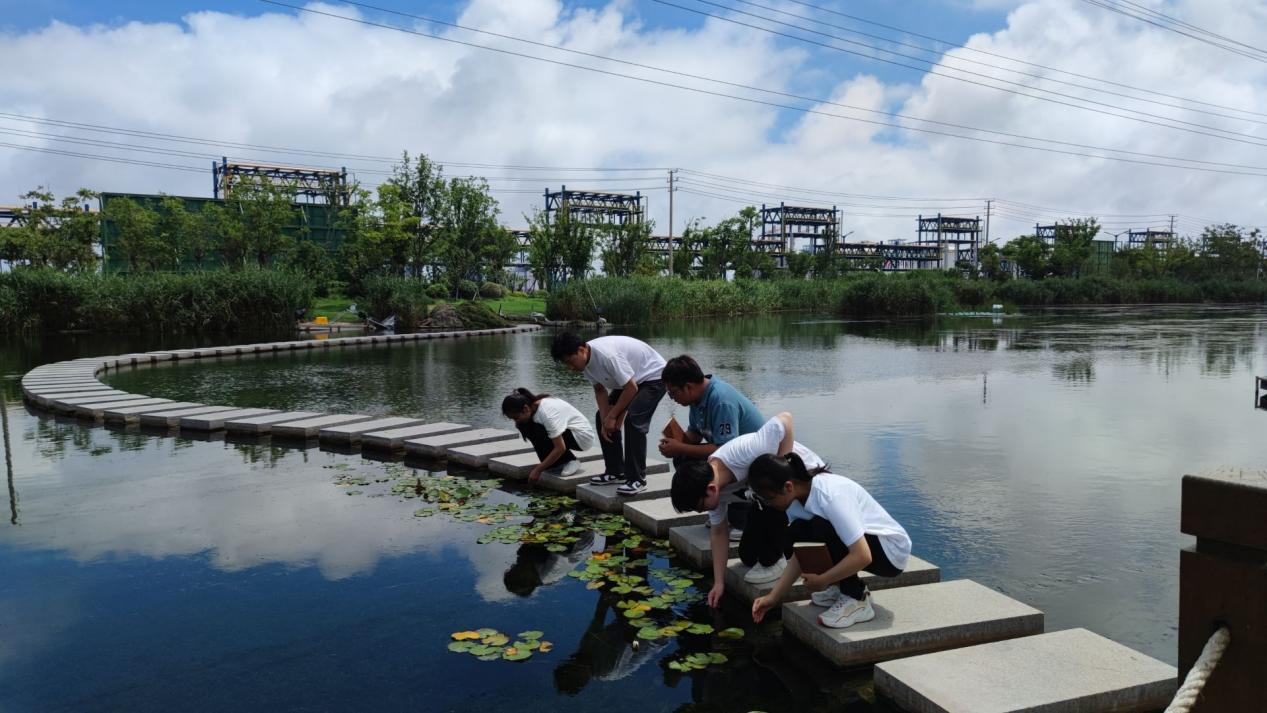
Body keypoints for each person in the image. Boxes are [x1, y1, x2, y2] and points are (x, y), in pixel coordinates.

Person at [669, 412, 827, 607]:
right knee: (747, 556)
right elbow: (719, 533)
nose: (701, 512)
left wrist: (783, 473)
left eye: (699, 507)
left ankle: (776, 558)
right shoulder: (710, 485)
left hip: (806, 485)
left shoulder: (744, 452)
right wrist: (719, 583)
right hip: (766, 500)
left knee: (771, 501)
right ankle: (775, 550)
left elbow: (785, 420)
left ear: (710, 490)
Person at [748, 451, 910, 629]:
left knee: (822, 525)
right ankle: (840, 585)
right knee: (796, 531)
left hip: (890, 552)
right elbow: (800, 554)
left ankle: (856, 598)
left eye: (769, 499)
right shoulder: (795, 501)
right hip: (865, 547)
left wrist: (823, 580)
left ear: (788, 487)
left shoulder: (829, 496)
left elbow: (862, 556)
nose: (769, 505)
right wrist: (773, 597)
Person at [658, 354, 764, 542]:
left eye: (673, 393)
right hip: (728, 455)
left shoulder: (720, 400)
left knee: (688, 457)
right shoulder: (697, 400)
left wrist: (681, 447)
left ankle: (742, 519)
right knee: (683, 460)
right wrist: (675, 443)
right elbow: (695, 435)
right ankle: (715, 508)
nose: (673, 399)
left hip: (754, 463)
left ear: (688, 387)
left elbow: (726, 449)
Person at [551, 332, 667, 496]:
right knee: (601, 417)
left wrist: (614, 416)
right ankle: (616, 471)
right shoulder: (584, 363)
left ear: (582, 349)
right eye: (566, 364)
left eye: (571, 362)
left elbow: (631, 388)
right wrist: (607, 418)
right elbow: (600, 390)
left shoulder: (607, 356)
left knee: (634, 420)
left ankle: (637, 480)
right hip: (629, 382)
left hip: (653, 377)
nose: (571, 368)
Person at [501, 388, 597, 484]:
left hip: (582, 437)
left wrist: (537, 470)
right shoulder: (534, 407)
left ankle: (570, 461)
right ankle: (557, 464)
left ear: (525, 408)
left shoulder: (546, 414)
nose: (515, 421)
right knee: (526, 425)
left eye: (516, 418)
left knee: (537, 429)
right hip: (568, 433)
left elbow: (560, 448)